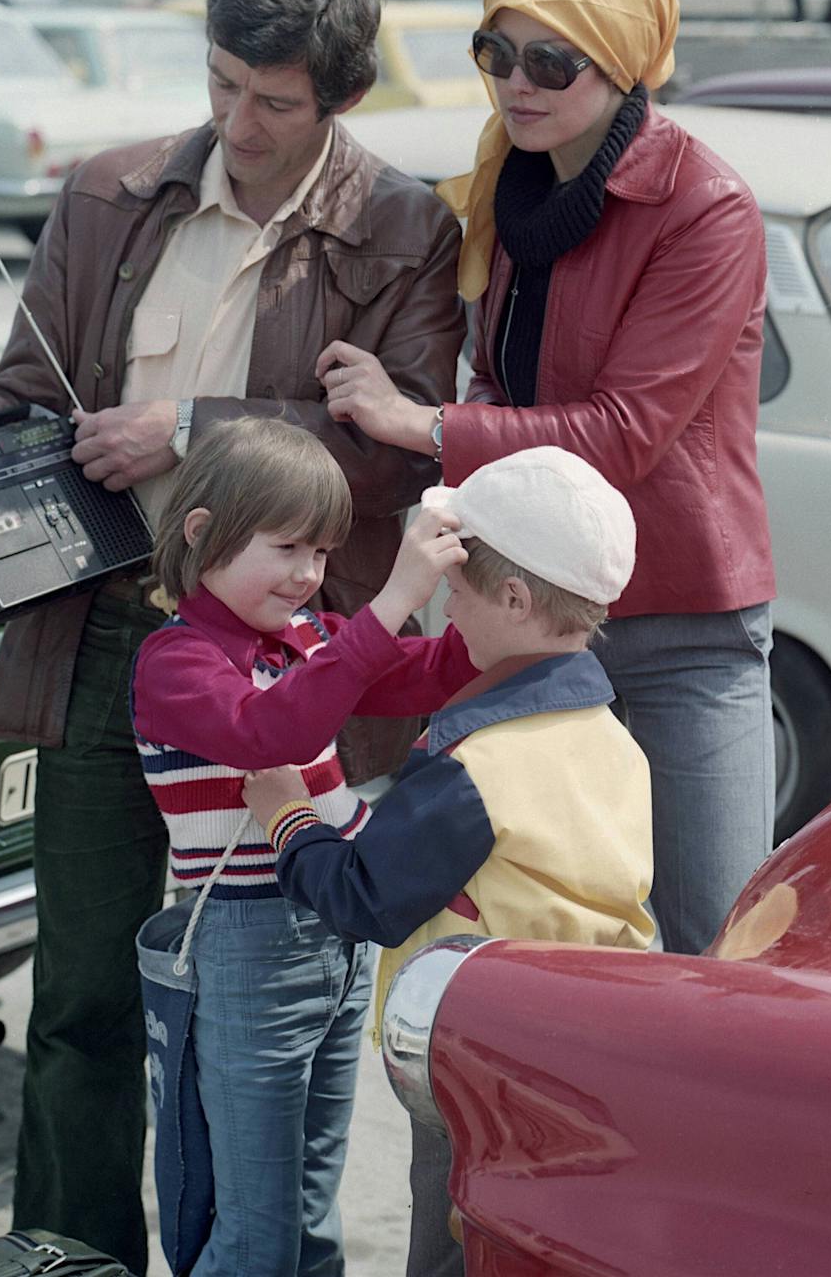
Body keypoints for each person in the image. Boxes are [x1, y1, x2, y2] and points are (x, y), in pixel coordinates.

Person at [0, 0, 464, 1274]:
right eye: (220, 85)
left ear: (343, 98)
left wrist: (190, 427)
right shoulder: (108, 192)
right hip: (105, 645)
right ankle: (64, 1260)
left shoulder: (407, 229)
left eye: (275, 101)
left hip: (280, 682)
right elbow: (22, 399)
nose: (239, 122)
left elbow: (392, 445)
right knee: (77, 1000)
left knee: (248, 1015)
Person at [313, 0, 776, 958]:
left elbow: (621, 433)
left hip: (675, 623)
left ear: (618, 63)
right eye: (496, 50)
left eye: (552, 60)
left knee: (711, 941)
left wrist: (414, 420)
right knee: (519, 926)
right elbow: (508, 380)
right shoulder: (512, 186)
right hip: (522, 613)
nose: (515, 81)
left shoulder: (704, 206)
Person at [242, 443, 654, 1277]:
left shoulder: (477, 767)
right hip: (588, 1044)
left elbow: (363, 895)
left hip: (477, 1059)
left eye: (456, 593)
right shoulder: (613, 738)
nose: (447, 613)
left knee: (453, 1241)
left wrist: (287, 814)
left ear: (511, 596)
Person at [132, 419, 478, 1277]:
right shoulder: (174, 661)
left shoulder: (314, 639)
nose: (306, 574)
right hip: (247, 951)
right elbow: (268, 732)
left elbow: (426, 673)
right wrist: (393, 597)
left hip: (340, 937)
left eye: (321, 552)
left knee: (311, 1219)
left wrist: (515, 604)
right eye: (285, 546)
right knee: (257, 1233)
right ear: (201, 533)